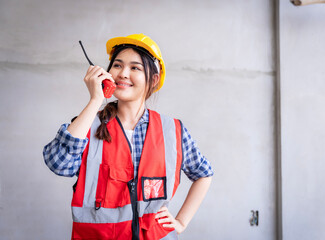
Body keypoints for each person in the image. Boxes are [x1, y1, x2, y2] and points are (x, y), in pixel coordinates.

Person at [43, 34, 213, 240]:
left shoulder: (172, 130)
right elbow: (58, 164)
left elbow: (203, 174)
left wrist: (181, 221)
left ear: (154, 79)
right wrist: (96, 99)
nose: (123, 73)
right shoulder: (88, 124)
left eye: (135, 68)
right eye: (117, 65)